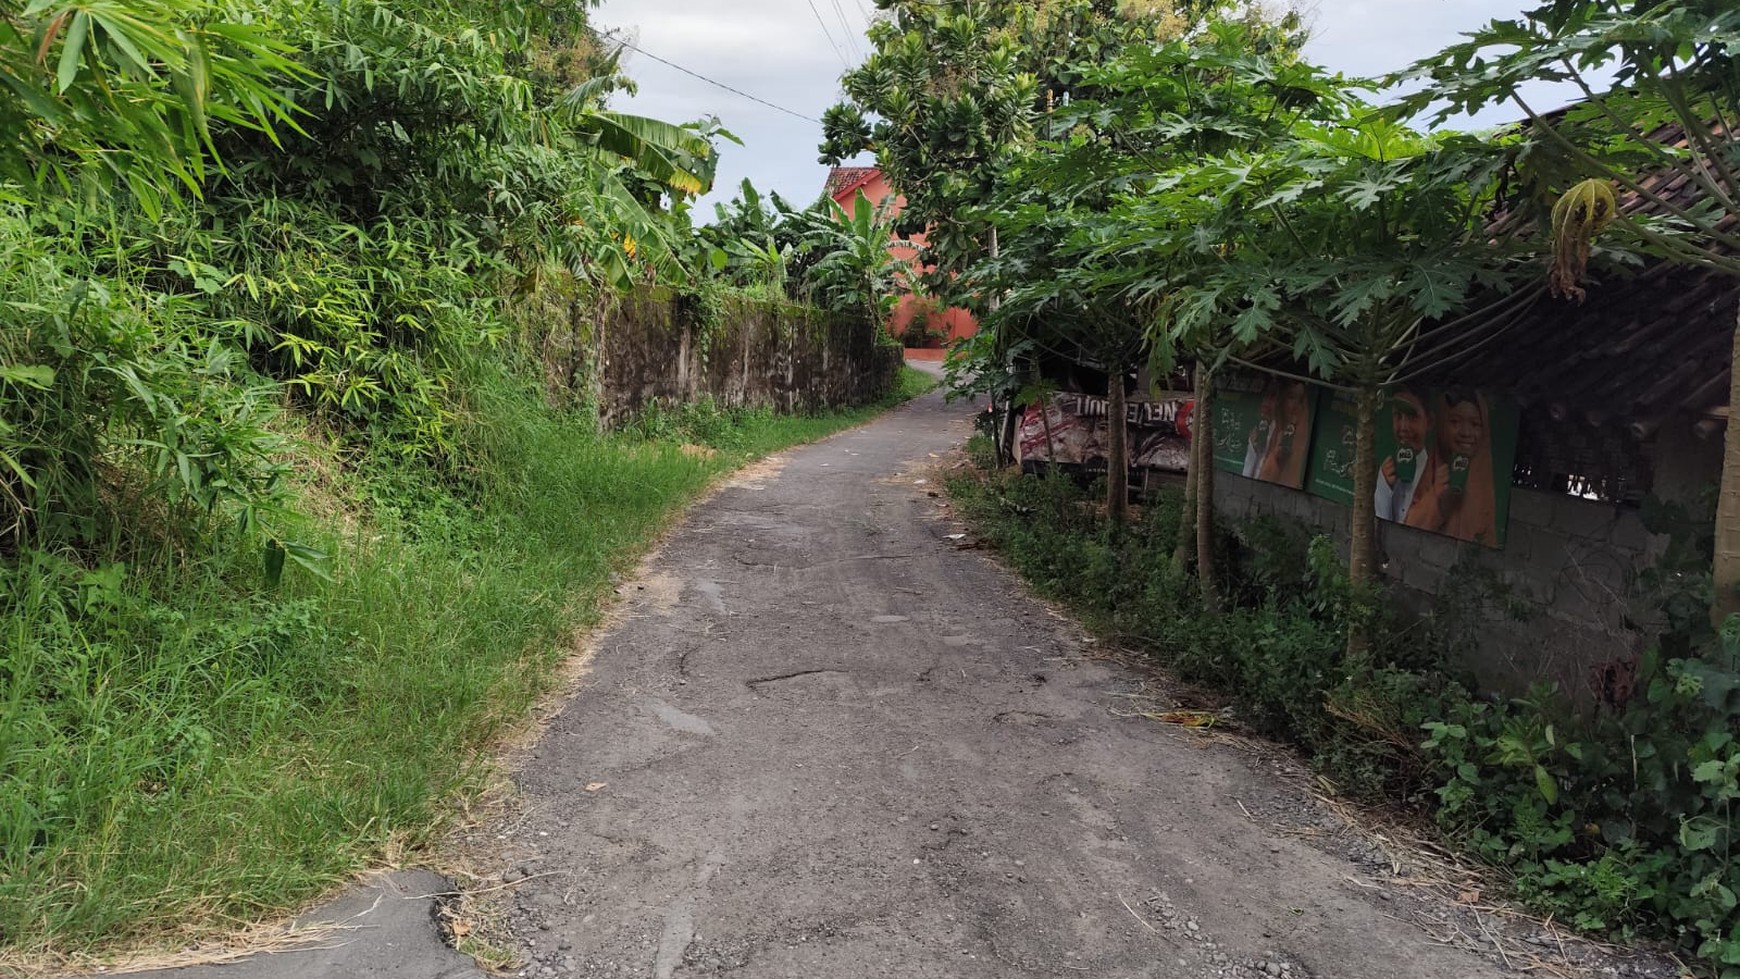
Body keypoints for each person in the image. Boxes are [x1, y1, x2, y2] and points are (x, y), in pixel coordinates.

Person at [1404, 388, 1500, 545]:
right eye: (1455, 422)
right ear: (1441, 425)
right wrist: (1437, 499)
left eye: (1475, 424)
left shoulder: (1484, 483)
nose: (1466, 432)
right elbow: (1406, 530)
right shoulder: (1420, 470)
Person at [1374, 388, 1430, 523]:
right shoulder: (1387, 473)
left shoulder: (1435, 474)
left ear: (1429, 421)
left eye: (1412, 417)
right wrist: (1384, 487)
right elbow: (1380, 521)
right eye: (1398, 416)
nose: (1404, 427)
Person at [1254, 380, 1312, 487]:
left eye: (1300, 401)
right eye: (1291, 398)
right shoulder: (1268, 427)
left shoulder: (1297, 438)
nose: (1295, 406)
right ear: (1282, 399)